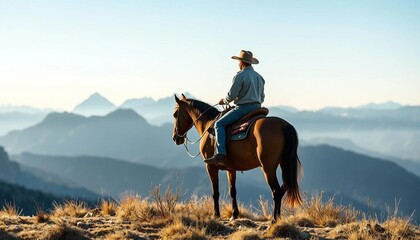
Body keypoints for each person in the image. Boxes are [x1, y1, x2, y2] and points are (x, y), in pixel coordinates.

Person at [204, 50, 265, 166]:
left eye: (238, 62)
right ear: (250, 62)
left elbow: (231, 96)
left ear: (241, 63)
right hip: (258, 108)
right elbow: (262, 97)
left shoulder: (240, 76)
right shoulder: (260, 77)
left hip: (243, 109)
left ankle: (221, 155)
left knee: (219, 124)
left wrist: (224, 100)